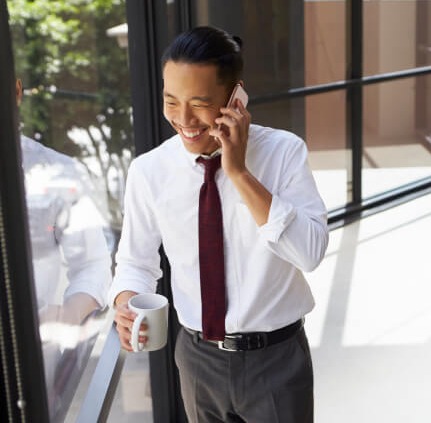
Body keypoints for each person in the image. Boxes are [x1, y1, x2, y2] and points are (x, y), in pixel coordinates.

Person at [109, 26, 328, 422]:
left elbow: (310, 254)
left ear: (235, 98)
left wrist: (240, 173)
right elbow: (135, 264)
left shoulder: (284, 152)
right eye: (171, 101)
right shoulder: (149, 171)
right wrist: (125, 305)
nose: (184, 119)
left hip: (276, 359)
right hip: (197, 359)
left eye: (199, 102)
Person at [16, 79, 113, 420]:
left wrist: (65, 317)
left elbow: (94, 265)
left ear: (14, 92)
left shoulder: (58, 173)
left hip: (33, 362)